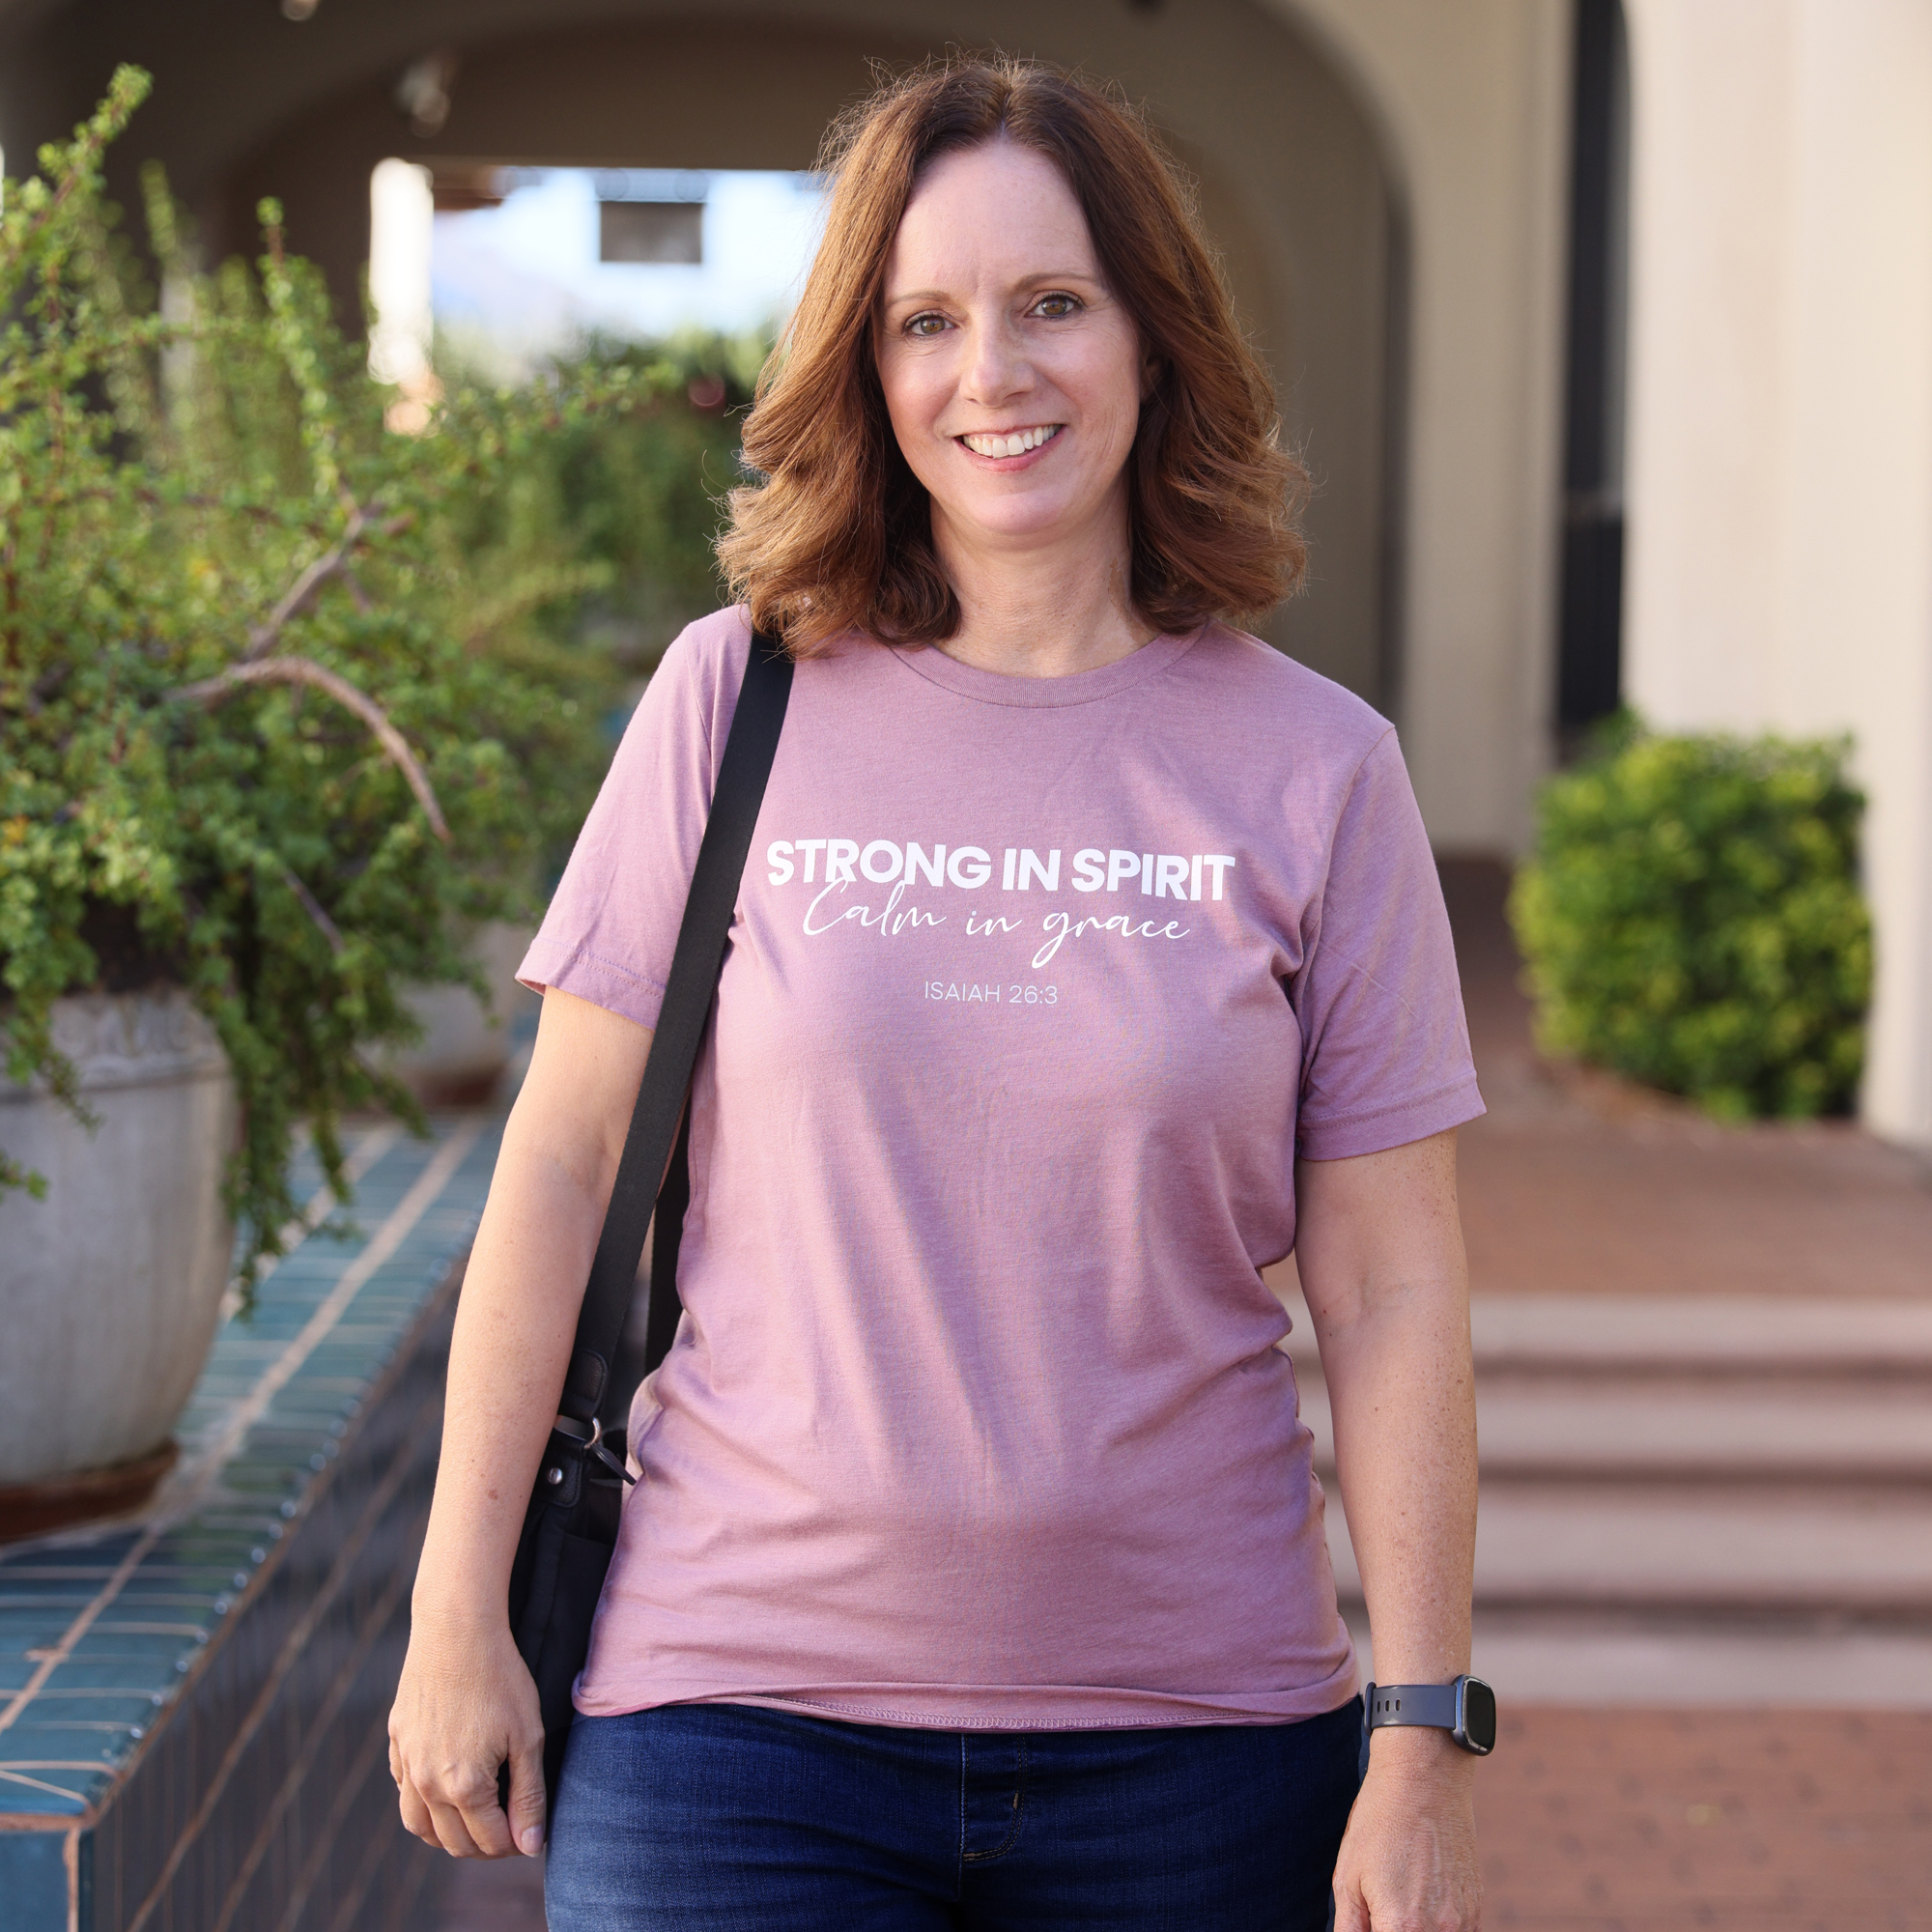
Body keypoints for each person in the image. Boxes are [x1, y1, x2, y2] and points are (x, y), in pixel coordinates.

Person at [389, 56, 1486, 1932]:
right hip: (733, 1721)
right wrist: (451, 1615)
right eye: (926, 321)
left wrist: (1419, 1737)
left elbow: (1390, 1288)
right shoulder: (731, 703)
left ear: (1153, 340)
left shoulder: (1318, 770)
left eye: (1053, 302)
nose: (993, 372)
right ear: (865, 367)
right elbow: (557, 1173)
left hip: (1200, 1750)